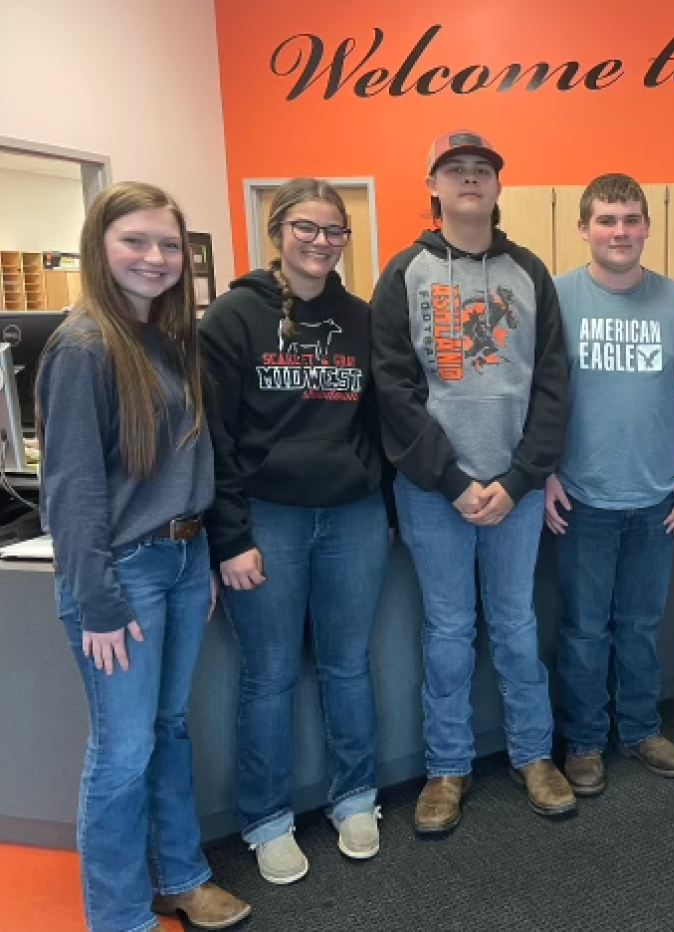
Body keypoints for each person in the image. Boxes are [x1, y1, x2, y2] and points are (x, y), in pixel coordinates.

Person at [37, 181, 251, 931]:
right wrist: (96, 599)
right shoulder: (85, 346)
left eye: (167, 245)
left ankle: (182, 877)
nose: (155, 257)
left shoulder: (167, 338)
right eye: (136, 241)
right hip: (123, 576)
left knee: (169, 730)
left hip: (183, 563)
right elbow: (72, 488)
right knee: (122, 753)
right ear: (101, 246)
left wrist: (203, 553)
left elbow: (193, 463)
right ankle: (120, 916)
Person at [371, 129, 575, 832]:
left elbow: (553, 385)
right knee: (449, 633)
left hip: (514, 493)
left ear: (496, 187)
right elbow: (393, 392)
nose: (468, 180)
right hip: (433, 494)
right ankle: (447, 769)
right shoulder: (405, 272)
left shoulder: (530, 272)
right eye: (454, 170)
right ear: (433, 186)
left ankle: (533, 756)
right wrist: (453, 479)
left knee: (517, 629)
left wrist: (519, 479)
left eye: (480, 170)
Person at [200, 178, 391, 884]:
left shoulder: (363, 318)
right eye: (306, 228)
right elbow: (213, 437)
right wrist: (228, 536)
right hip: (267, 523)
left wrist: (384, 506)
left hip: (353, 518)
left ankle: (354, 798)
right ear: (278, 231)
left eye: (333, 231)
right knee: (271, 675)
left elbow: (380, 421)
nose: (320, 242)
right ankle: (267, 820)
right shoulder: (231, 318)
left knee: (348, 666)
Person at [544, 173, 674, 796]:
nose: (620, 231)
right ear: (584, 228)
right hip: (582, 497)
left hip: (658, 497)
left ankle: (640, 728)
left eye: (631, 219)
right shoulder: (557, 297)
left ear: (646, 227)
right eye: (608, 220)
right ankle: (585, 740)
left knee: (641, 625)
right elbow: (538, 394)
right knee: (586, 628)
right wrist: (542, 474)